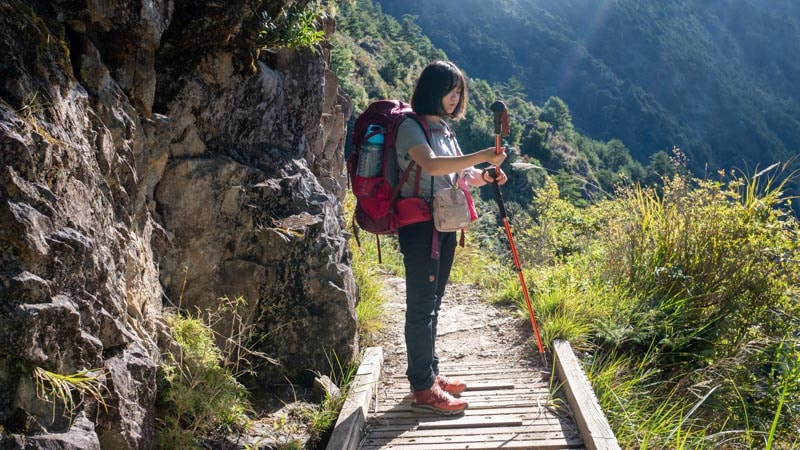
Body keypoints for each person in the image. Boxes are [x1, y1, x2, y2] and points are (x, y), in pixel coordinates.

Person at [394, 60, 508, 415]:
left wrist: (485, 175)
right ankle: (423, 388)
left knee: (434, 302)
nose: (455, 98)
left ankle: (430, 374)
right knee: (421, 306)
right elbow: (431, 165)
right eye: (449, 91)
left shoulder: (443, 129)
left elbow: (461, 174)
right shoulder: (410, 127)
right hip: (419, 225)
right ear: (433, 90)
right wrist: (483, 155)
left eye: (459, 91)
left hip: (444, 222)